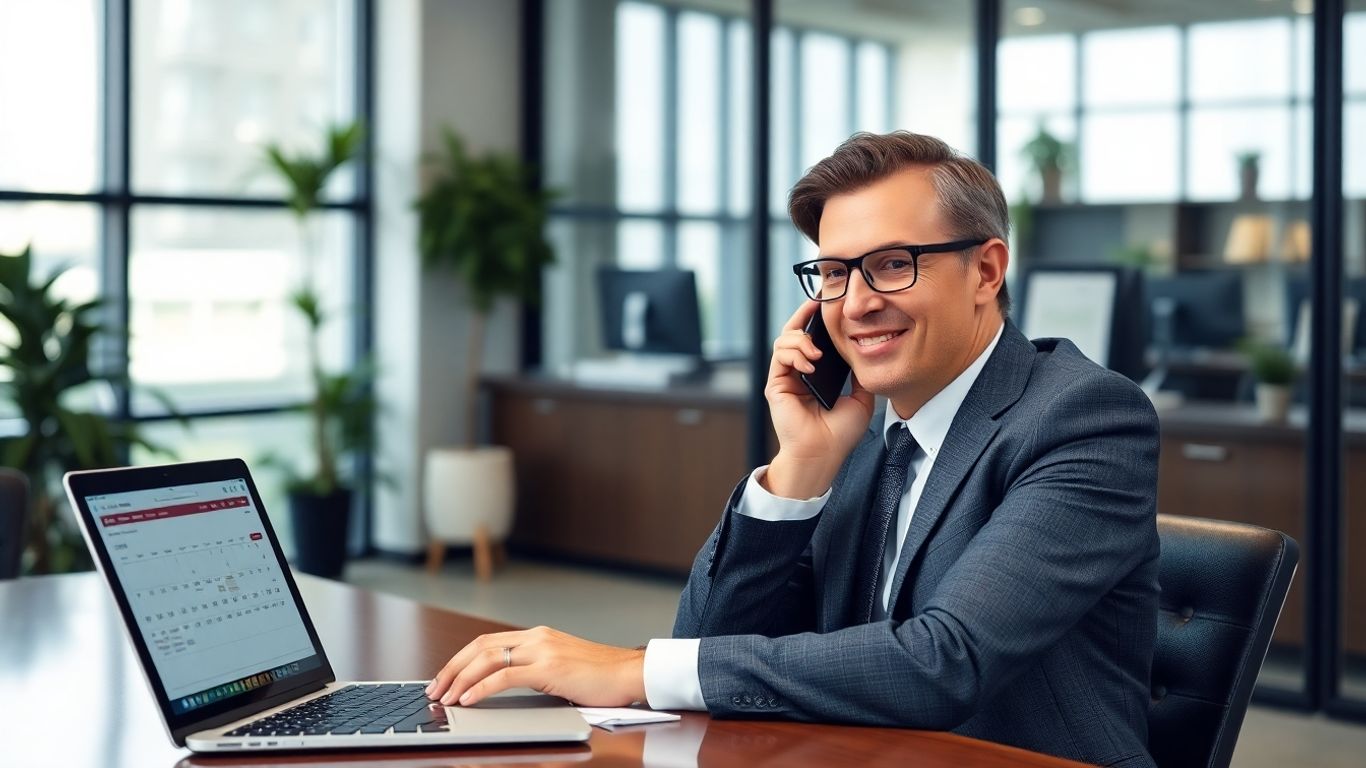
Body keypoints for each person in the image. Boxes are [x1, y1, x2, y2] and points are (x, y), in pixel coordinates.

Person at [426, 131, 1161, 768]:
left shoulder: (1082, 417)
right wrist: (800, 469)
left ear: (986, 271)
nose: (857, 303)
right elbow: (709, 638)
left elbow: (946, 661)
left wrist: (634, 669)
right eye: (836, 273)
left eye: (893, 263)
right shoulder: (869, 437)